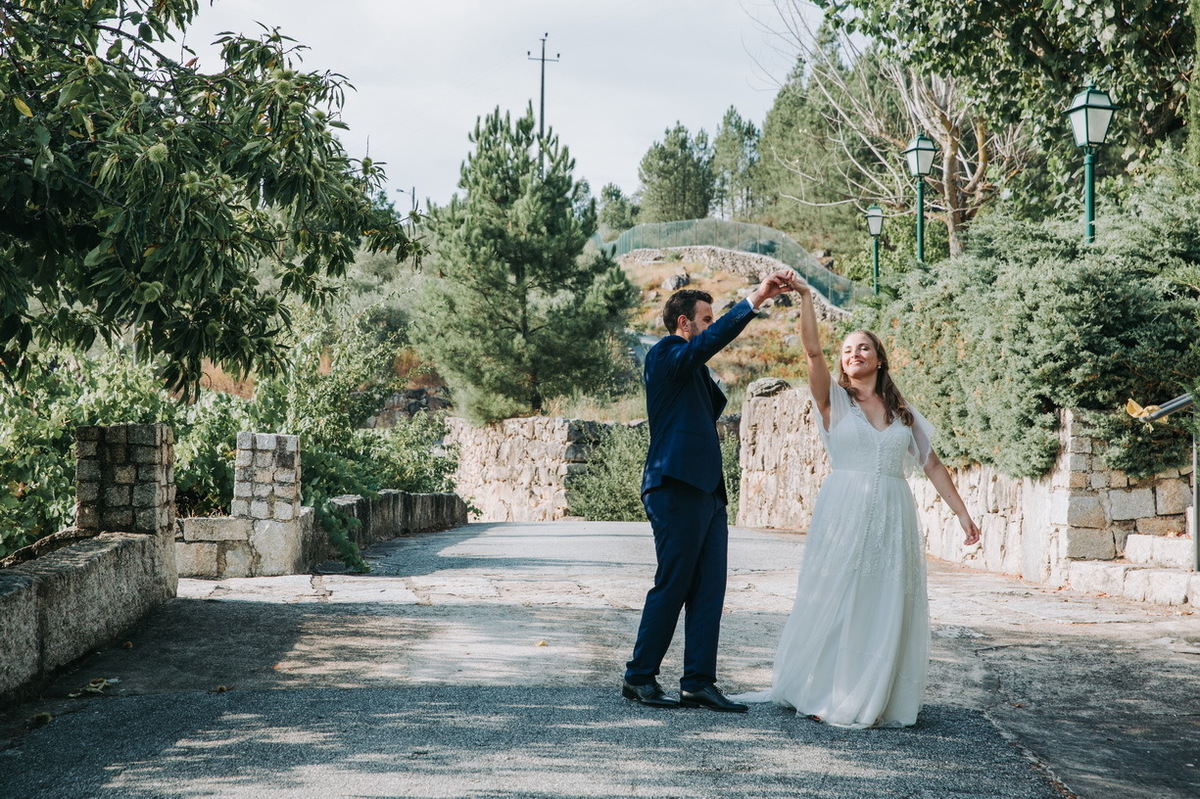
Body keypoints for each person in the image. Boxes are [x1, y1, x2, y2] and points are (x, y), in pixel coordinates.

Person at [757, 272, 981, 728]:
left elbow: (932, 464)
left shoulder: (903, 412)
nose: (853, 354)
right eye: (847, 350)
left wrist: (962, 514)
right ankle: (824, 693)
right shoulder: (834, 401)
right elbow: (812, 352)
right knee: (839, 596)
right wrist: (805, 297)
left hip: (893, 515)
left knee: (883, 601)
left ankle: (872, 694)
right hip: (844, 509)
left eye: (863, 347)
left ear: (879, 358)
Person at [623, 271, 795, 713]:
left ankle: (698, 682)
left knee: (709, 589)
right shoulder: (665, 353)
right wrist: (755, 299)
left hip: (709, 491)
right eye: (705, 319)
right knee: (674, 582)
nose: (710, 324)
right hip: (675, 484)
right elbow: (708, 344)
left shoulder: (691, 368)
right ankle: (639, 677)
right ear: (684, 323)